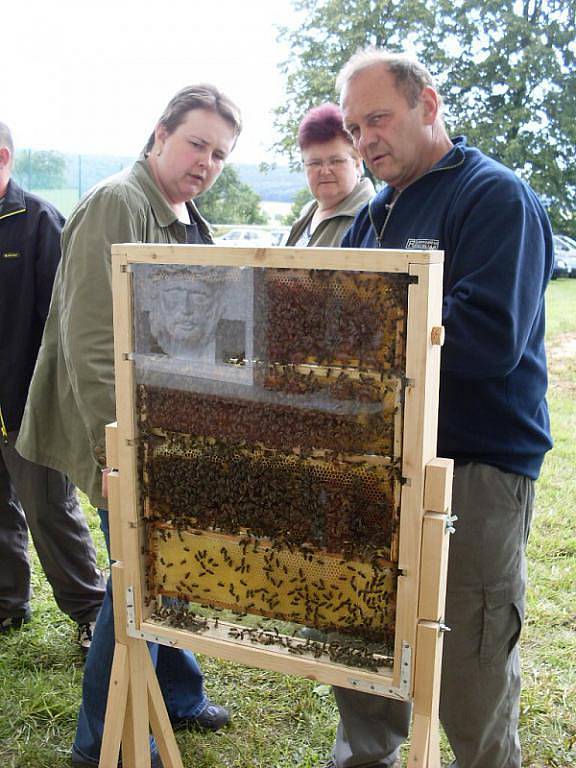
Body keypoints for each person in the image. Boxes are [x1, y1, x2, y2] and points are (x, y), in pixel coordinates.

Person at [318, 49, 554, 768]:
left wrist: (364, 329)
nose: (366, 141)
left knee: (469, 664)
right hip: (379, 459)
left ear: (429, 102)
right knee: (366, 637)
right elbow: (334, 323)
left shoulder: (494, 196)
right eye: (356, 128)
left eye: (378, 118)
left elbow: (485, 342)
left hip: (475, 466)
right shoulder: (378, 211)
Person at [16, 85, 241, 767]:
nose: (206, 161)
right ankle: (103, 742)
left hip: (165, 426)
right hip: (118, 430)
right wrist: (118, 455)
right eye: (196, 143)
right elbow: (91, 342)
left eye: (221, 154)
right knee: (135, 575)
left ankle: (176, 693)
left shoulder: (185, 212)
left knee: (162, 561)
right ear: (160, 134)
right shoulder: (119, 201)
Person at [0, 121, 105, 652]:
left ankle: (89, 611)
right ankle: (7, 603)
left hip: (26, 402)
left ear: (2, 157)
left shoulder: (39, 221)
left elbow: (65, 321)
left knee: (48, 510)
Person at [286, 103, 374, 248]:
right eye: (314, 163)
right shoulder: (307, 214)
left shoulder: (371, 219)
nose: (325, 171)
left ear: (358, 163)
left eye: (335, 161)